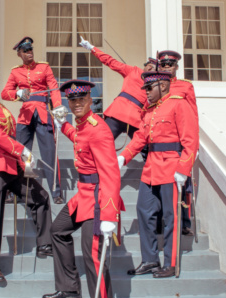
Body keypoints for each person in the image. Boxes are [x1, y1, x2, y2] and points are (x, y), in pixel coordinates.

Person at [42, 80, 123, 298]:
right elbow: (78, 137)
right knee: (58, 230)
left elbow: (110, 174)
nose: (76, 104)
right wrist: (61, 124)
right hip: (83, 194)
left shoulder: (99, 129)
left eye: (81, 100)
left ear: (91, 101)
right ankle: (69, 287)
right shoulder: (82, 125)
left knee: (93, 257)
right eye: (72, 100)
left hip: (100, 198)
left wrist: (109, 215)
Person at [0, 66, 53, 282]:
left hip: (11, 164)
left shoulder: (3, 108)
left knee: (40, 197)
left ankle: (44, 244)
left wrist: (22, 158)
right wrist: (21, 150)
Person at [119, 71, 199, 278]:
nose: (145, 92)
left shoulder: (179, 104)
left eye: (149, 88)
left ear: (163, 86)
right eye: (145, 88)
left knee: (171, 217)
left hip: (171, 168)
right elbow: (139, 138)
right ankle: (149, 260)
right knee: (144, 211)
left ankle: (170, 263)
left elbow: (191, 141)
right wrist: (124, 157)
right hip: (151, 169)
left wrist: (183, 170)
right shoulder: (149, 111)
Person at [1, 37, 64, 204]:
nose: (29, 53)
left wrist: (57, 108)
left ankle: (56, 191)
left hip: (43, 112)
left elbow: (55, 88)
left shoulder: (44, 67)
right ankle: (16, 190)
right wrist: (18, 94)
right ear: (19, 54)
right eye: (25, 51)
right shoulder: (15, 72)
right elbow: (4, 93)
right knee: (20, 153)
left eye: (30, 50)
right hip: (26, 114)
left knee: (49, 153)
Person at [79, 37, 156, 141]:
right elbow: (110, 62)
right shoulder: (133, 71)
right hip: (118, 113)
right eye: (149, 65)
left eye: (154, 68)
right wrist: (92, 48)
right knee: (101, 142)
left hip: (136, 118)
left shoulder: (158, 84)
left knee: (146, 148)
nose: (150, 68)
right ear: (145, 66)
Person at [157, 50, 199, 235]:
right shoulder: (155, 85)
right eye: (164, 64)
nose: (167, 67)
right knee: (158, 184)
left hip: (180, 143)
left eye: (170, 64)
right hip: (160, 142)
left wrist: (193, 144)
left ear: (177, 67)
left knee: (183, 183)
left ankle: (185, 222)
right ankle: (159, 222)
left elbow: (193, 116)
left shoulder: (185, 86)